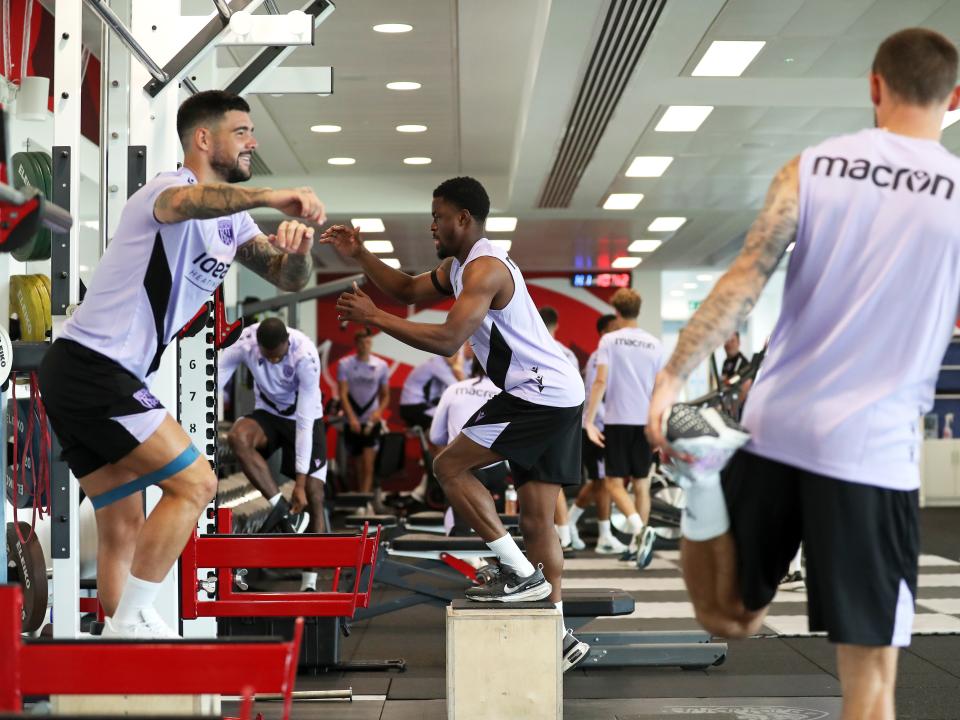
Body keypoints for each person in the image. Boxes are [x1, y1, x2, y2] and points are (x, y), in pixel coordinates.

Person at [646, 28, 960, 720]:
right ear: (954, 98)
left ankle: (699, 483)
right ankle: (701, 483)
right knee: (872, 685)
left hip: (778, 424)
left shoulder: (812, 167)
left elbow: (745, 280)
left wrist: (670, 377)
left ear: (874, 86)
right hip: (872, 450)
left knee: (730, 618)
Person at [37, 90, 326, 638]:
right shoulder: (168, 190)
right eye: (241, 132)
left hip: (94, 373)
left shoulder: (232, 223)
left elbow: (289, 278)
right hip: (92, 366)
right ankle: (131, 629)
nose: (252, 141)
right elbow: (190, 206)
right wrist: (271, 195)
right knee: (197, 483)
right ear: (202, 139)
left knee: (122, 527)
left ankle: (124, 663)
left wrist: (299, 246)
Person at [321, 176, 589, 671]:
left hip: (539, 395)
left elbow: (448, 340)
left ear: (463, 219)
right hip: (557, 392)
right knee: (535, 516)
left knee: (449, 468)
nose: (432, 225)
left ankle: (522, 576)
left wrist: (376, 319)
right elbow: (404, 288)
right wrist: (359, 253)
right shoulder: (459, 267)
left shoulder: (485, 269)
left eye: (439, 216)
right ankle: (558, 632)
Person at [218, 318, 327, 592]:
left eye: (279, 355)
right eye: (269, 357)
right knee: (237, 437)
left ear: (287, 343)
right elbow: (215, 376)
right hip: (268, 413)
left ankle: (310, 583)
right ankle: (278, 504)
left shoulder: (306, 355)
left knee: (314, 494)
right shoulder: (246, 342)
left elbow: (303, 423)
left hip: (305, 418)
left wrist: (299, 483)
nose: (275, 361)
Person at [584, 288, 663, 566]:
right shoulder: (655, 343)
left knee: (613, 483)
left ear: (616, 312)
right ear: (638, 310)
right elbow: (661, 388)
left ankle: (640, 533)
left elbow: (600, 381)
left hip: (618, 420)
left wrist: (589, 419)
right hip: (644, 421)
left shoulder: (609, 340)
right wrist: (658, 424)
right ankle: (637, 547)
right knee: (641, 484)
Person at [430, 357, 504, 535]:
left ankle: (462, 548)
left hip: (460, 468)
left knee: (458, 537)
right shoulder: (508, 393)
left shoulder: (454, 389)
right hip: (497, 470)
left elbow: (435, 436)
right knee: (497, 532)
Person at [566, 313, 617, 552]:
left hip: (604, 425)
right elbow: (597, 388)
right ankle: (604, 535)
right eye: (615, 329)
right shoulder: (599, 357)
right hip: (595, 426)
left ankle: (570, 521)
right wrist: (591, 424)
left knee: (600, 481)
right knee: (603, 481)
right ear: (604, 333)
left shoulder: (609, 356)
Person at [538, 306, 579, 549]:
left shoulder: (533, 350)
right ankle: (564, 534)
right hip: (566, 419)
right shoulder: (567, 354)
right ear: (557, 325)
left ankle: (563, 536)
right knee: (553, 480)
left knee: (545, 480)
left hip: (539, 419)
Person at [337, 329, 390, 494]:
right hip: (352, 420)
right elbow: (343, 394)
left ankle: (365, 501)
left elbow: (386, 395)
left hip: (370, 421)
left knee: (368, 464)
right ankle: (362, 497)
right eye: (361, 342)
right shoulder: (345, 364)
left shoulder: (381, 365)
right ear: (356, 344)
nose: (364, 346)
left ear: (371, 343)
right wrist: (351, 417)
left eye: (367, 342)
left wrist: (378, 412)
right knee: (358, 464)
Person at [399, 351, 465, 431]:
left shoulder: (443, 364)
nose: (456, 358)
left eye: (458, 355)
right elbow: (459, 387)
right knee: (453, 416)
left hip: (422, 405)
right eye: (454, 353)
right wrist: (458, 368)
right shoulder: (437, 364)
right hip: (413, 408)